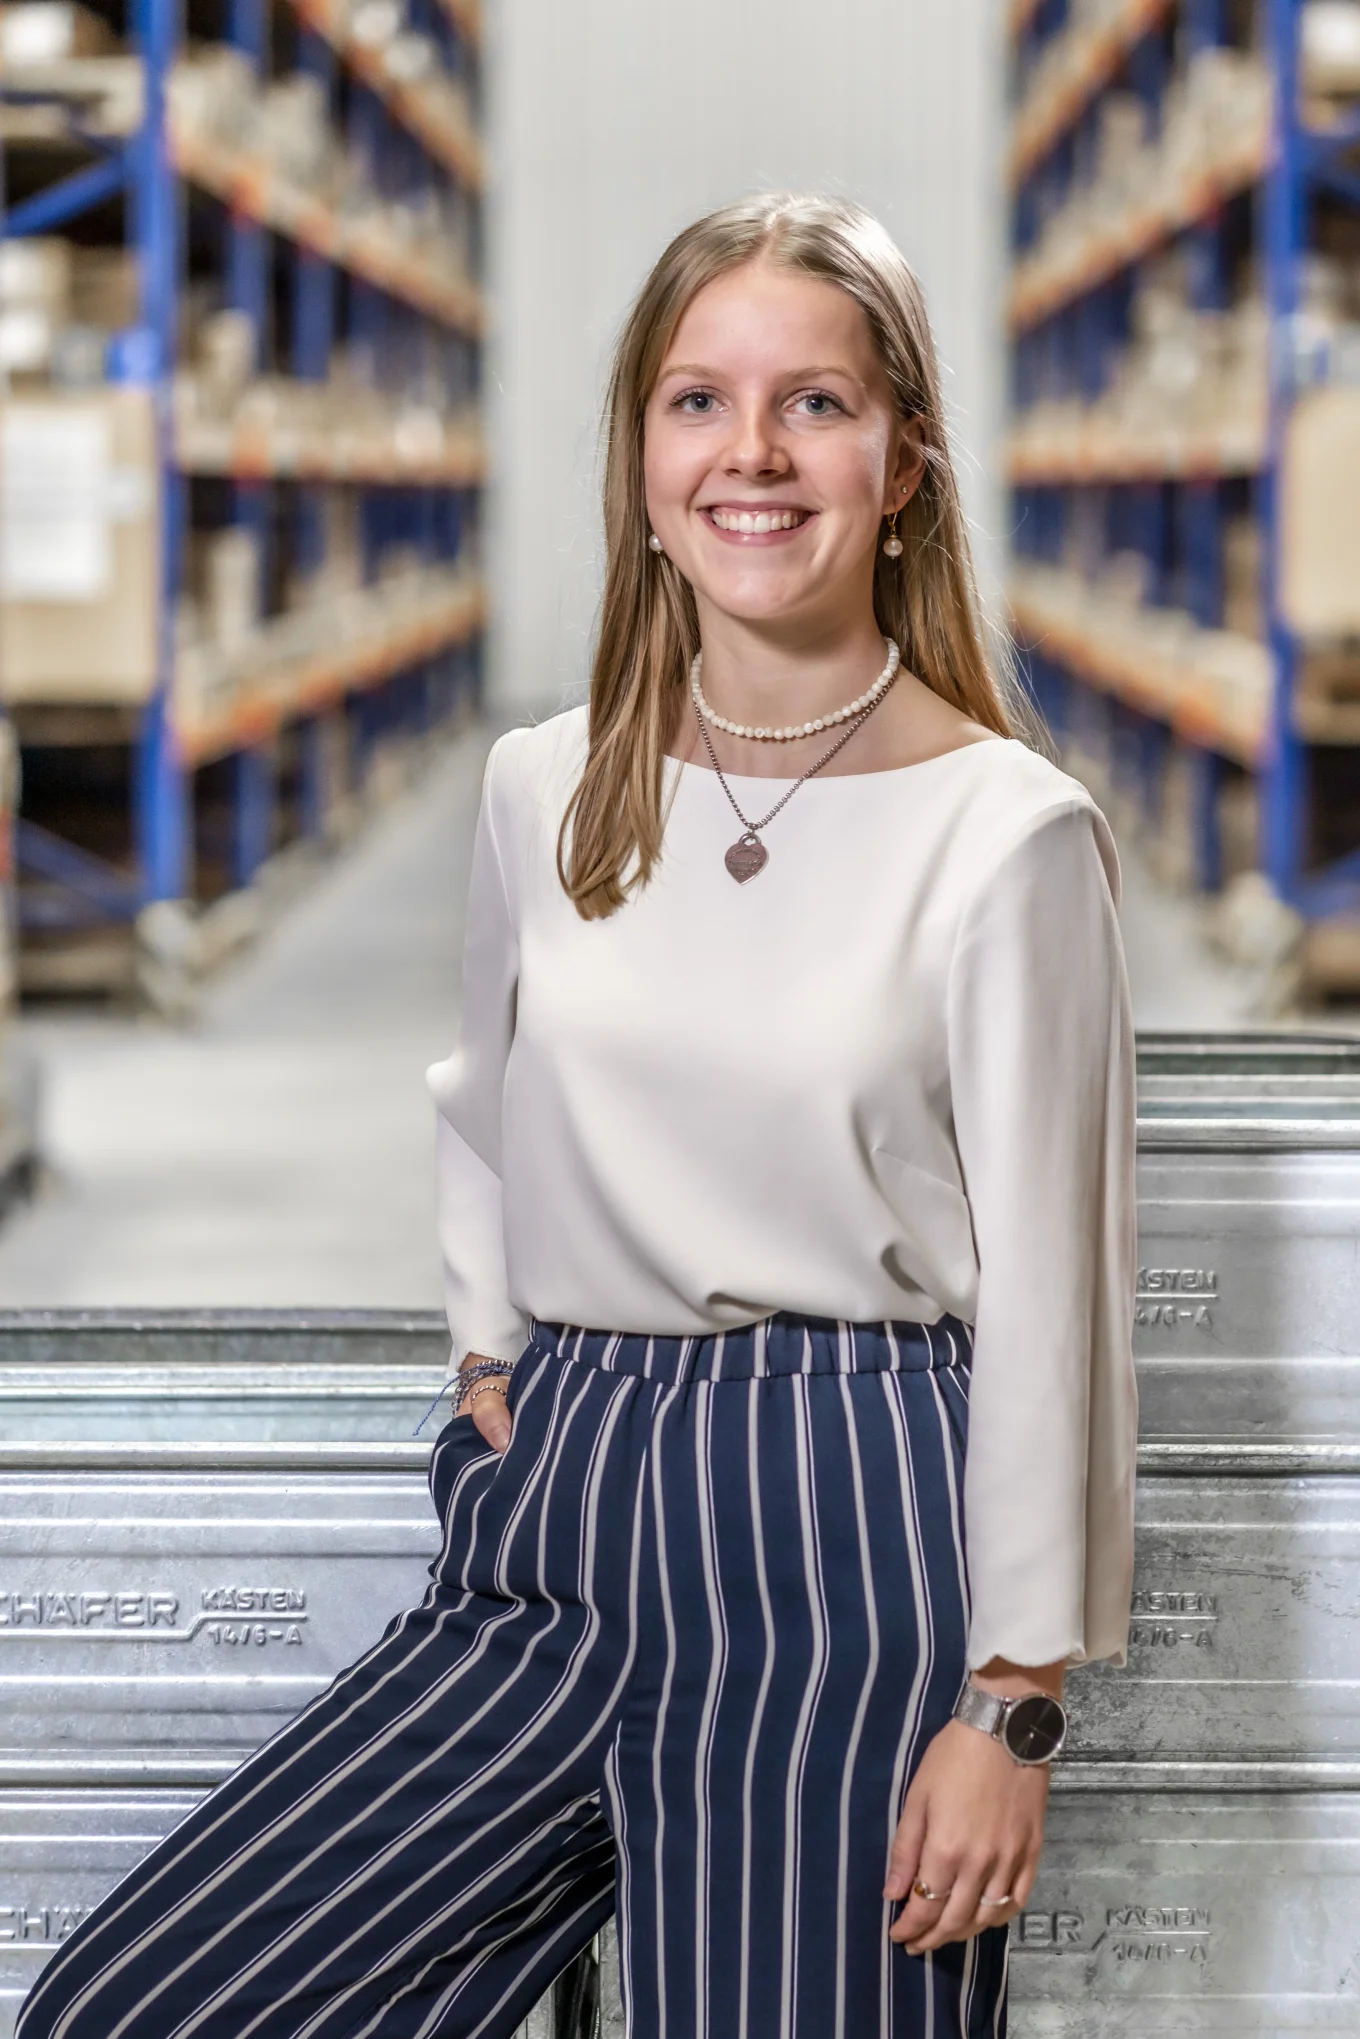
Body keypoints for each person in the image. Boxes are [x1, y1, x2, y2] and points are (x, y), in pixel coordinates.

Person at [18, 193, 1137, 2039]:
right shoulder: (547, 785)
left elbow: (1056, 1302)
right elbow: (485, 1097)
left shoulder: (1006, 833)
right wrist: (486, 1347)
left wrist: (1011, 1700)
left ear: (908, 462)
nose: (753, 455)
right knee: (136, 2004)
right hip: (563, 1500)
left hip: (845, 1537)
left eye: (818, 406)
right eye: (698, 402)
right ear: (637, 460)